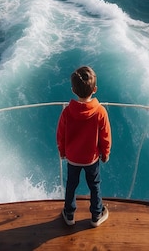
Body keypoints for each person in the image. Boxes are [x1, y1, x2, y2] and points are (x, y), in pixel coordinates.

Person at [56, 66, 112, 227]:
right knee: (94, 186)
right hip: (91, 159)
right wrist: (105, 153)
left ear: (73, 90)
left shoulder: (67, 112)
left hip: (72, 158)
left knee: (71, 185)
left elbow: (61, 135)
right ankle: (96, 215)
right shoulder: (100, 112)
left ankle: (69, 214)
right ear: (95, 89)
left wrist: (62, 151)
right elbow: (105, 136)